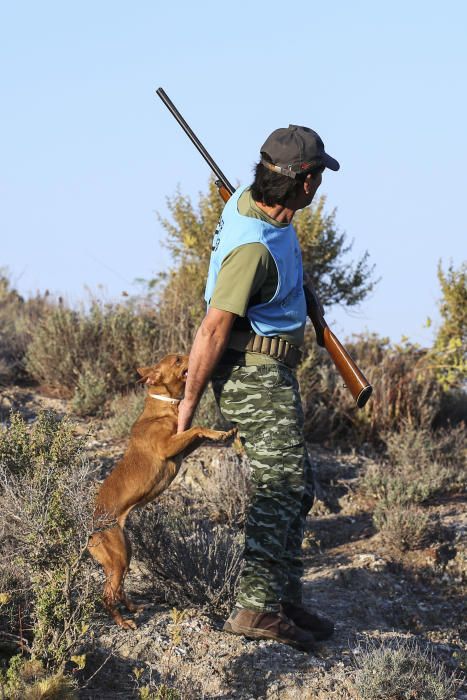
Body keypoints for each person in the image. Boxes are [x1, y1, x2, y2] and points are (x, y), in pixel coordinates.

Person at [177, 125, 340, 652]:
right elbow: (212, 328)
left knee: (299, 484)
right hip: (251, 373)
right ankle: (256, 608)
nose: (319, 186)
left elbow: (259, 214)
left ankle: (283, 598)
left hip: (271, 371)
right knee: (281, 487)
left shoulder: (261, 206)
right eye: (315, 176)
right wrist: (188, 402)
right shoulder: (251, 249)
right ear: (302, 181)